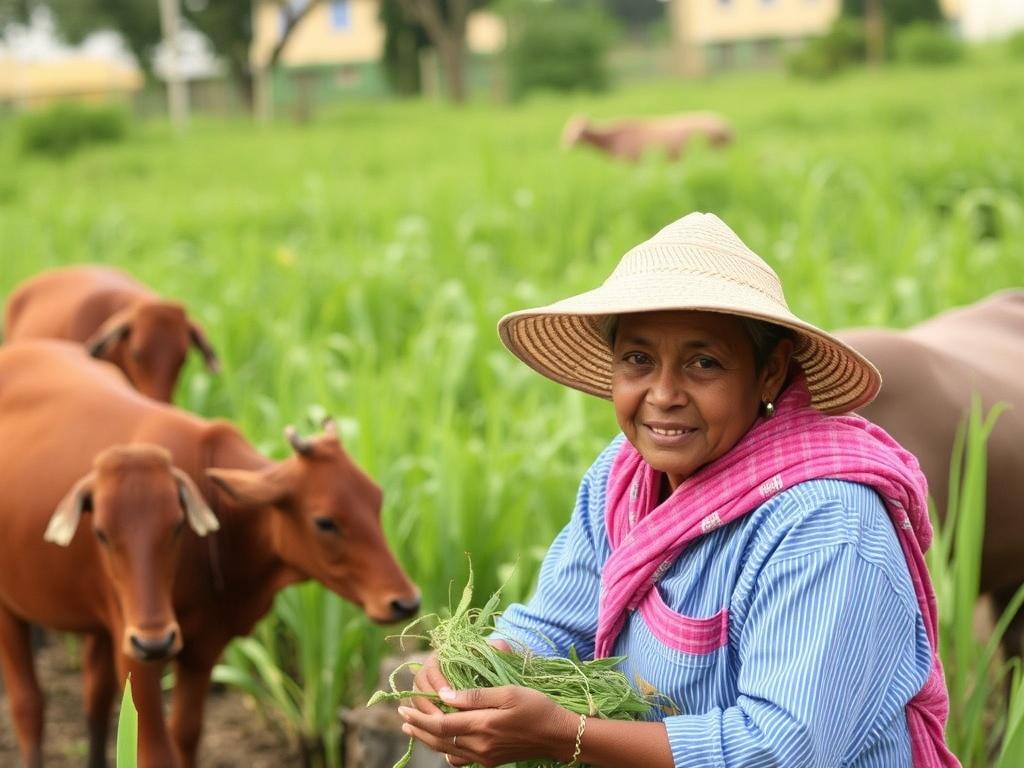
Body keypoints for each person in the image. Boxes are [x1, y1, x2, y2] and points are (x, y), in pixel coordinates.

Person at [398, 212, 959, 768]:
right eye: (638, 359)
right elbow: (557, 624)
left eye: (703, 363)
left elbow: (785, 749)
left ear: (769, 372)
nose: (663, 394)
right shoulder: (622, 477)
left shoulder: (824, 522)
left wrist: (564, 735)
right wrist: (475, 670)